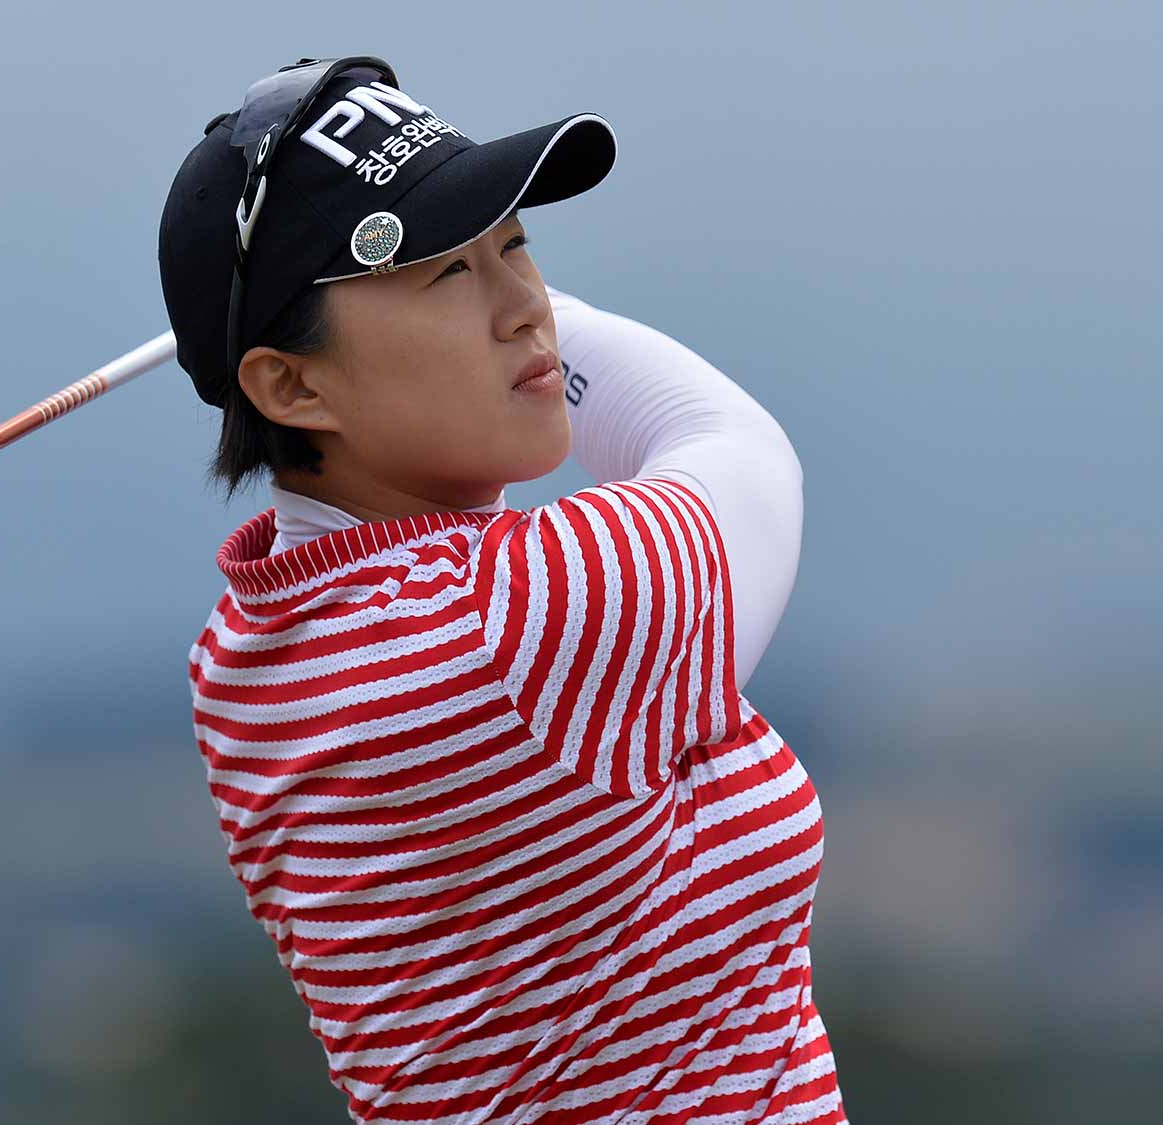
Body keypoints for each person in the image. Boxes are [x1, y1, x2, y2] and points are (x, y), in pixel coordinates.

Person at [158, 56, 844, 1124]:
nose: (527, 309)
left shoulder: (245, 654)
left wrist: (461, 294)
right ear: (289, 383)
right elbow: (734, 449)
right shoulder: (513, 619)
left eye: (515, 245)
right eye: (446, 274)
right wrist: (544, 319)